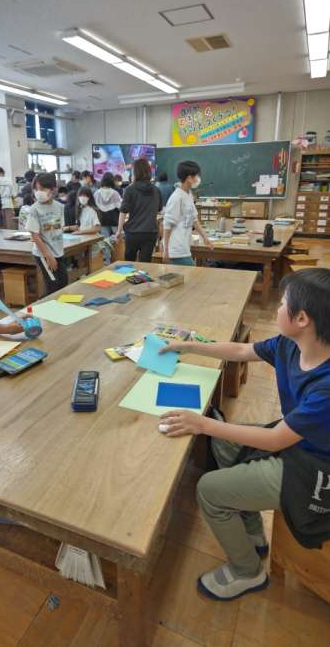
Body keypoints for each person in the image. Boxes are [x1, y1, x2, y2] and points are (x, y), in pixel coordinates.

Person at [159, 268, 330, 601]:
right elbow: (240, 351)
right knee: (224, 443)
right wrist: (187, 345)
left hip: (315, 471)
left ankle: (247, 571)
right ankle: (252, 531)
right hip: (297, 443)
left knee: (209, 490)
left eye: (282, 303)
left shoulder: (326, 387)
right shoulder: (289, 344)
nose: (277, 309)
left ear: (302, 319)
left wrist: (202, 423)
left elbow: (276, 439)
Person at [163, 161, 213, 265]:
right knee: (193, 272)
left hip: (185, 247)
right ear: (189, 178)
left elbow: (194, 219)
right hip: (176, 250)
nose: (198, 178)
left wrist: (205, 237)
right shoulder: (177, 197)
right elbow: (167, 224)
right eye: (196, 176)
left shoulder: (188, 194)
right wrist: (165, 250)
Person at [26, 172, 68, 294]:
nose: (38, 192)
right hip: (44, 253)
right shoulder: (34, 209)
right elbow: (34, 235)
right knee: (53, 286)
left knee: (63, 282)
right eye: (36, 189)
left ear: (52, 190)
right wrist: (48, 256)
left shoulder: (59, 206)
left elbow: (59, 228)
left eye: (42, 189)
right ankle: (48, 305)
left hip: (58, 251)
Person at [116, 158, 162, 263]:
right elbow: (158, 209)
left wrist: (119, 231)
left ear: (135, 172)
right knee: (145, 263)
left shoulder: (130, 189)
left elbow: (123, 211)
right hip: (150, 232)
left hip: (133, 232)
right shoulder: (156, 190)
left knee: (129, 263)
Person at [94, 172, 122, 240]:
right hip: (114, 220)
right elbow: (121, 207)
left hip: (102, 221)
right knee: (118, 241)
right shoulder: (115, 193)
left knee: (106, 242)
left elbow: (94, 208)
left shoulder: (96, 193)